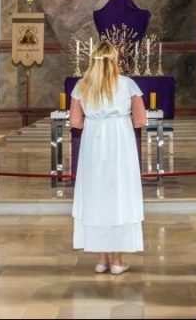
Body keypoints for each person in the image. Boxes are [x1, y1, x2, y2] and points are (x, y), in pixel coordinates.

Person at [69, 41, 147, 274]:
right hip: (120, 143)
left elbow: (75, 122)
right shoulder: (127, 84)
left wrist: (95, 121)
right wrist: (119, 121)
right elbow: (141, 120)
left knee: (96, 195)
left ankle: (101, 260)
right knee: (120, 194)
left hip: (93, 143)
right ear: (115, 61)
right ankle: (117, 261)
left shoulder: (82, 86)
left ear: (92, 60)